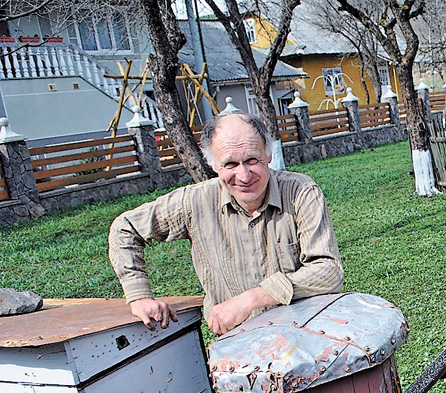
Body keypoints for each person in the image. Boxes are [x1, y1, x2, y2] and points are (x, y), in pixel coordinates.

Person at [109, 113, 343, 335]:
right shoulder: (195, 201)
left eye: (252, 160)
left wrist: (253, 298)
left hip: (307, 332)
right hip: (238, 344)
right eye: (230, 164)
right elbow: (125, 227)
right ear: (213, 165)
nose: (244, 175)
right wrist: (139, 296)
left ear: (269, 155)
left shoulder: (300, 191)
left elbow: (329, 271)